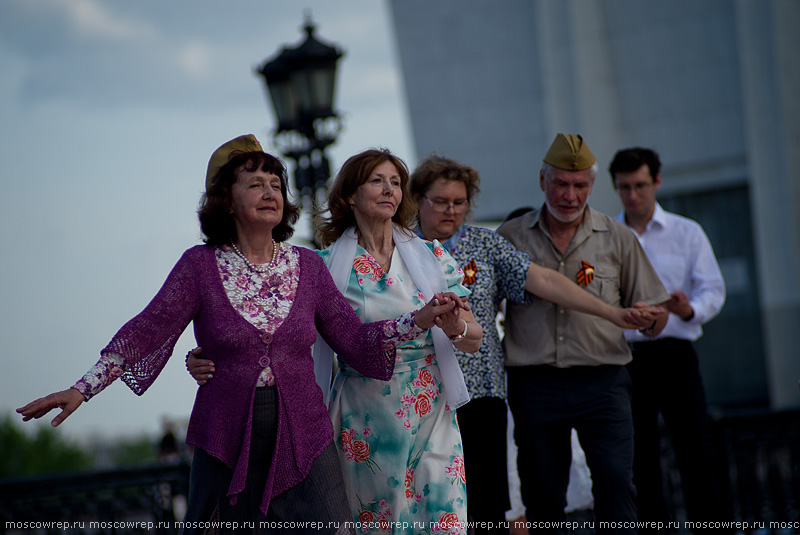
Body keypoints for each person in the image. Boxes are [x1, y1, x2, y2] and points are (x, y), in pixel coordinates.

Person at [16, 135, 460, 534]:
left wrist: (417, 320)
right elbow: (147, 330)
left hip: (304, 431)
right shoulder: (200, 267)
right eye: (254, 184)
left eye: (275, 184)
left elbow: (355, 340)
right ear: (226, 201)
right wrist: (82, 388)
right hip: (226, 433)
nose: (269, 192)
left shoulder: (307, 267)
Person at [190, 148, 483, 533]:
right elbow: (274, 332)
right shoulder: (322, 265)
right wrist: (211, 355)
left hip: (432, 408)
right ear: (349, 196)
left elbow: (474, 337)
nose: (389, 189)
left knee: (445, 520)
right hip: (364, 415)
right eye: (376, 181)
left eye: (395, 182)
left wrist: (453, 327)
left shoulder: (432, 256)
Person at [407, 154, 663, 533]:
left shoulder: (485, 244)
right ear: (418, 200)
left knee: (488, 506)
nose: (451, 210)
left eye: (459, 202)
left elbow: (543, 281)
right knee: (425, 502)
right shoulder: (399, 251)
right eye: (440, 201)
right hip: (418, 395)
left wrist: (613, 314)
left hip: (481, 394)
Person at [496, 134, 670, 534]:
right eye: (560, 184)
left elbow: (657, 317)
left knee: (615, 482)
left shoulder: (618, 237)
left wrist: (650, 318)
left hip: (603, 381)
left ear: (591, 187)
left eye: (579, 186)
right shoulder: (510, 237)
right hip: (534, 383)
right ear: (542, 181)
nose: (569, 195)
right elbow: (485, 306)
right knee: (543, 495)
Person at [609, 147, 726, 529]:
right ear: (615, 187)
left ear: (657, 182)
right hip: (626, 357)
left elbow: (713, 288)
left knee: (695, 449)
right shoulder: (607, 237)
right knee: (639, 458)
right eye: (625, 187)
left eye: (640, 185)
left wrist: (687, 309)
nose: (633, 195)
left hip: (676, 352)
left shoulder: (686, 232)